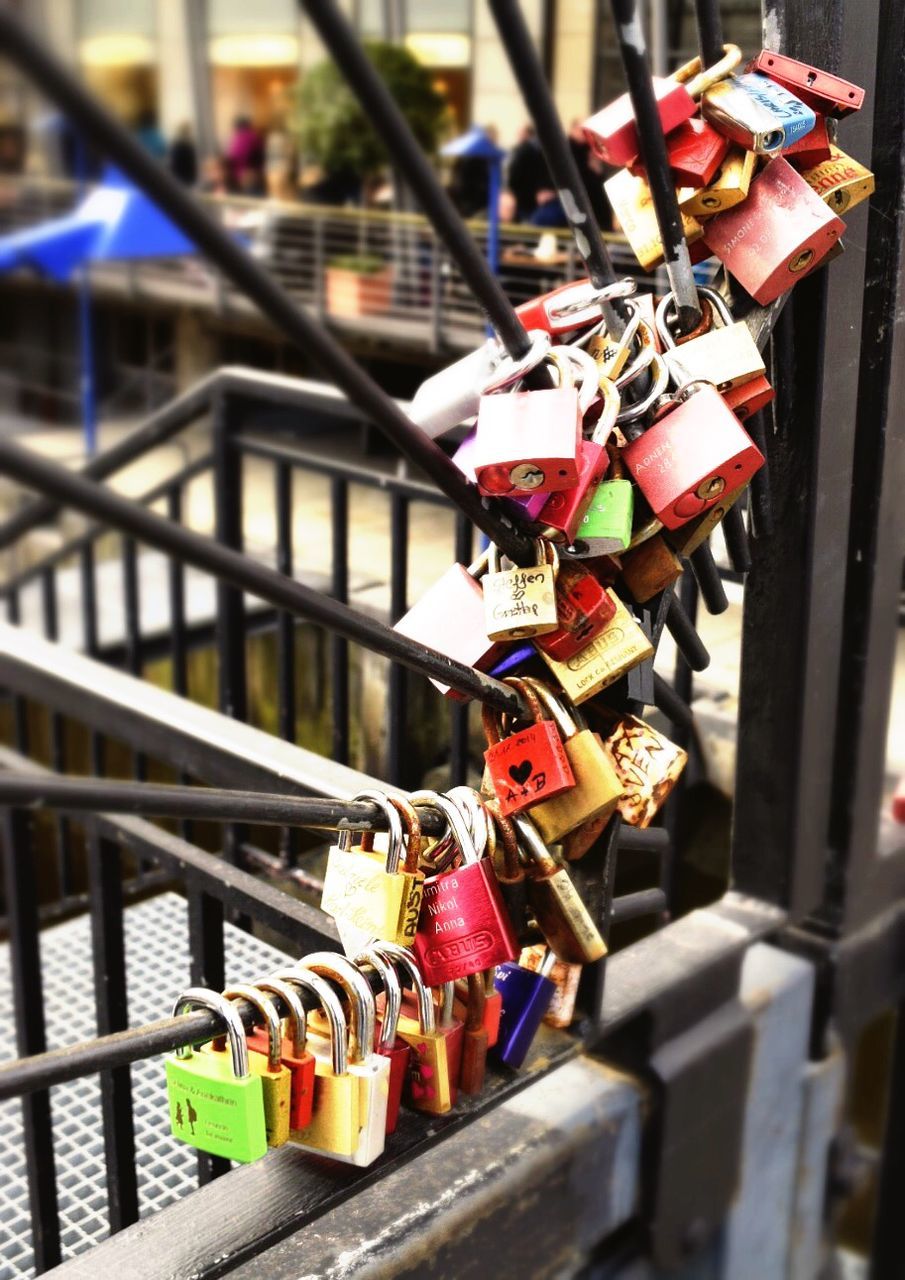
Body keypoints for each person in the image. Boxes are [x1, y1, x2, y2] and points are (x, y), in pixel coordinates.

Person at [568, 118, 612, 231]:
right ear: (573, 130)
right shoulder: (569, 150)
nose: (584, 133)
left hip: (594, 197)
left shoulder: (589, 148)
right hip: (581, 199)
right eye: (580, 129)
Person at [507, 124, 551, 222]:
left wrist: (510, 188)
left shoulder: (522, 150)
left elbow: (514, 174)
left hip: (522, 195)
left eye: (519, 133)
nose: (517, 136)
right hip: (535, 195)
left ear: (526, 134)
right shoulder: (540, 149)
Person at [226, 115, 264, 193]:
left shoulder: (242, 137)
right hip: (256, 171)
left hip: (245, 174)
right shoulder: (255, 136)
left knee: (249, 194)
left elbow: (237, 156)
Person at [169, 122, 198, 186]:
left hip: (178, 177)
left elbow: (173, 163)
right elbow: (192, 164)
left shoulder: (176, 145)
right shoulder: (189, 146)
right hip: (187, 177)